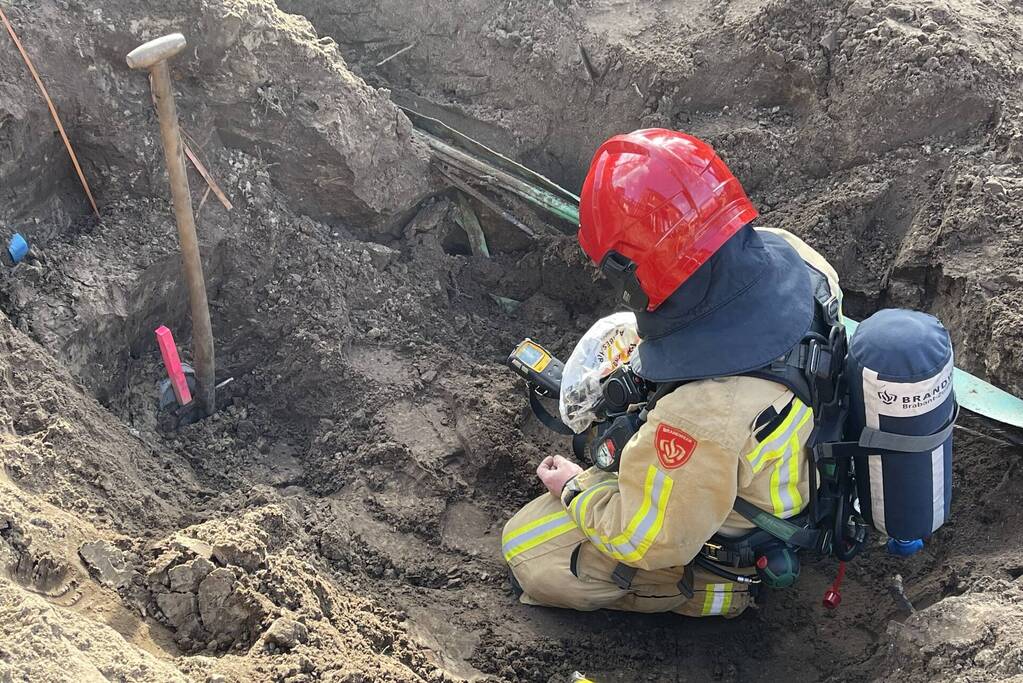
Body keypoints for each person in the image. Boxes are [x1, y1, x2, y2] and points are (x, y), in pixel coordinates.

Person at [501, 129, 842, 617]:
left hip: (746, 527)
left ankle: (726, 593)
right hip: (800, 471)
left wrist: (575, 487)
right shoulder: (798, 258)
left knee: (530, 549)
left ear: (631, 270)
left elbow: (646, 540)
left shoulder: (701, 415)